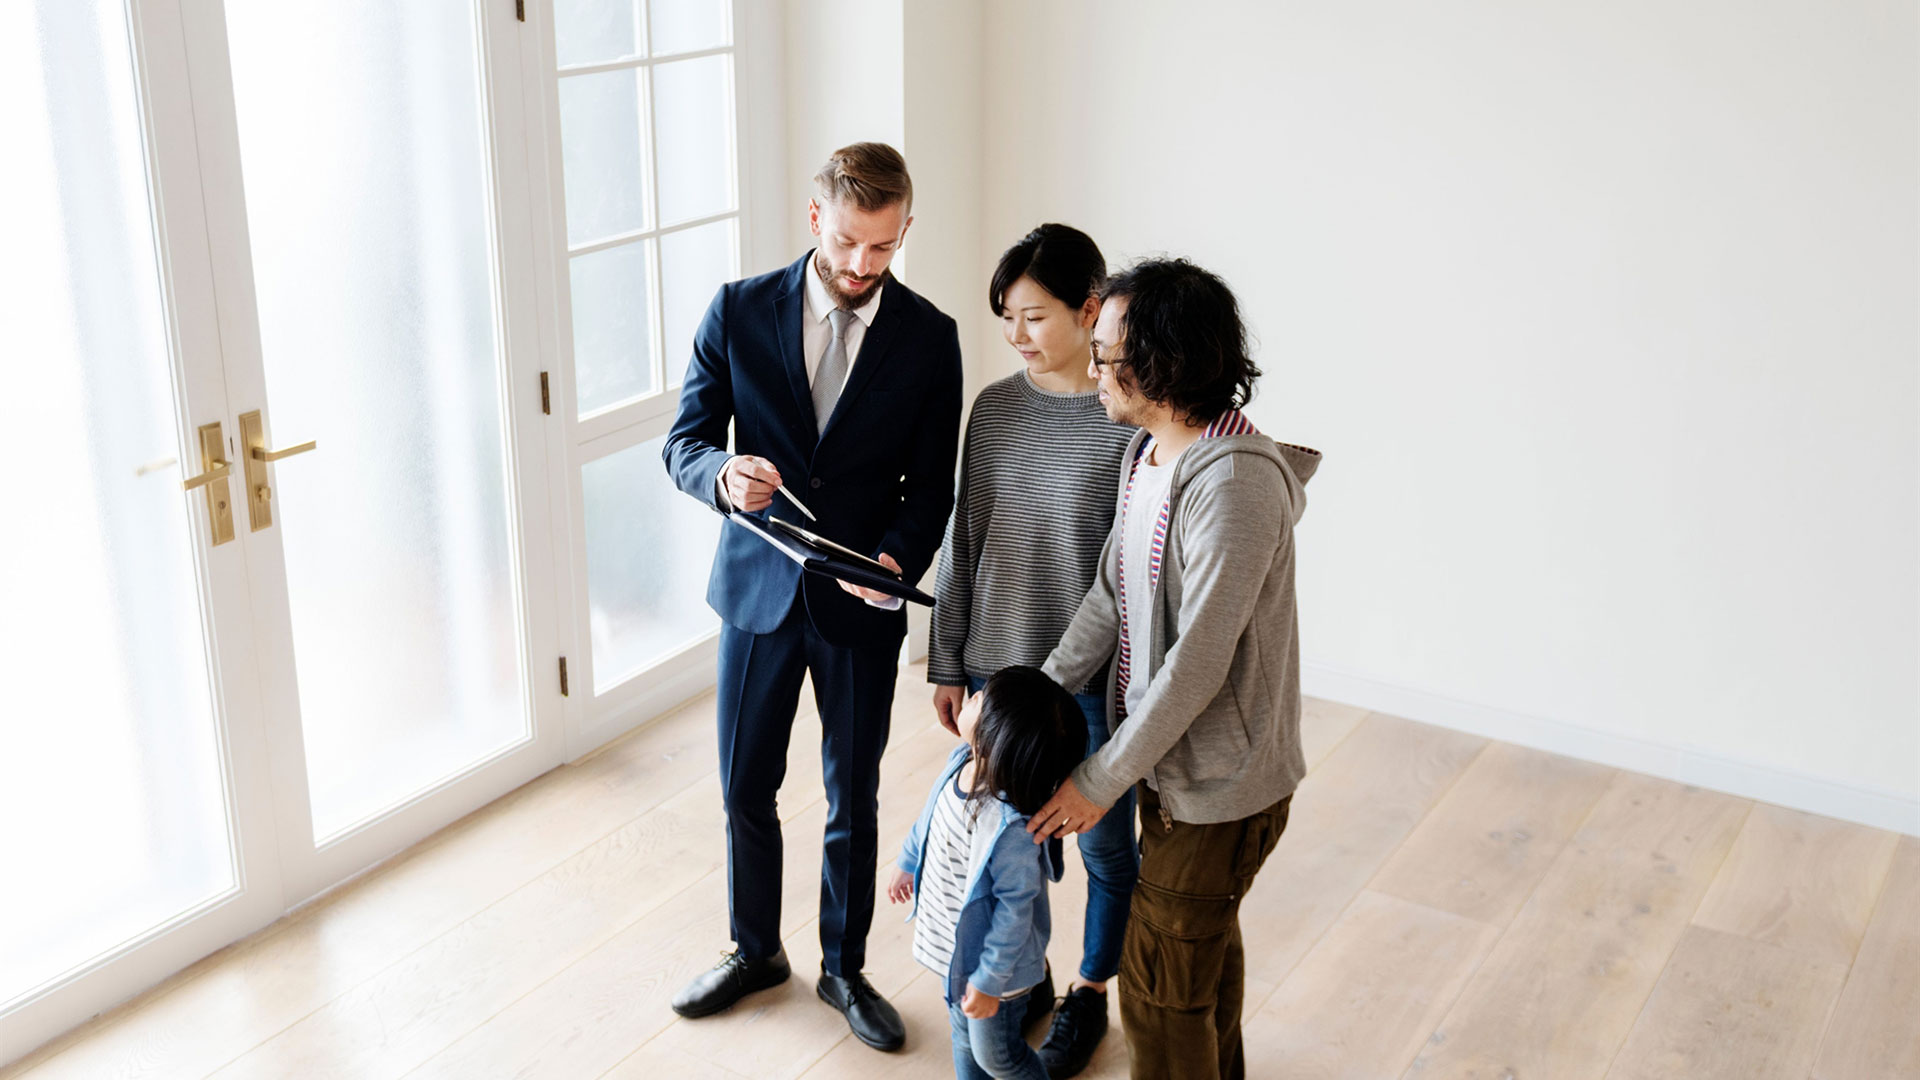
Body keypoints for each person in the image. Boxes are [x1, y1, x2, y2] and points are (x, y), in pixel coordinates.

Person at [661, 142, 964, 1052]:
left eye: (882, 248)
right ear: (813, 220)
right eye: (845, 244)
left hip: (859, 606)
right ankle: (755, 951)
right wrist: (723, 475)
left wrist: (892, 562)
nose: (861, 266)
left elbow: (932, 492)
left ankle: (844, 967)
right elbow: (683, 443)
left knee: (852, 793)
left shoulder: (930, 337)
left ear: (904, 230)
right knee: (745, 784)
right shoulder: (737, 310)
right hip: (756, 591)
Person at [1025, 258, 1321, 1080]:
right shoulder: (1148, 458)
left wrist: (1099, 780)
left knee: (1156, 995)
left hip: (1222, 788)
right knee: (1199, 968)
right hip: (1171, 773)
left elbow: (1196, 663)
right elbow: (1111, 594)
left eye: (1109, 352)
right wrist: (1038, 696)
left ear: (1164, 362)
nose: (1094, 369)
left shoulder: (1232, 486)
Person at [927, 223, 1137, 1076]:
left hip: (1083, 687)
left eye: (1034, 316)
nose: (1015, 336)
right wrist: (948, 661)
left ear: (1092, 311)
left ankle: (1091, 989)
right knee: (1008, 841)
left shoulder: (1127, 417)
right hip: (993, 672)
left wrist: (1062, 681)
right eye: (1006, 316)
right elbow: (964, 539)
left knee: (1100, 846)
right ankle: (1027, 976)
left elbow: (1122, 577)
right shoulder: (994, 408)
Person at [889, 667, 1086, 1080]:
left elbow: (1015, 912)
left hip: (994, 973)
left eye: (981, 701)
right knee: (963, 1037)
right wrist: (908, 861)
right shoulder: (960, 761)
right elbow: (929, 819)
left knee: (999, 1057)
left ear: (997, 740)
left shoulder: (1009, 829)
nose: (973, 696)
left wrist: (989, 980)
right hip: (956, 955)